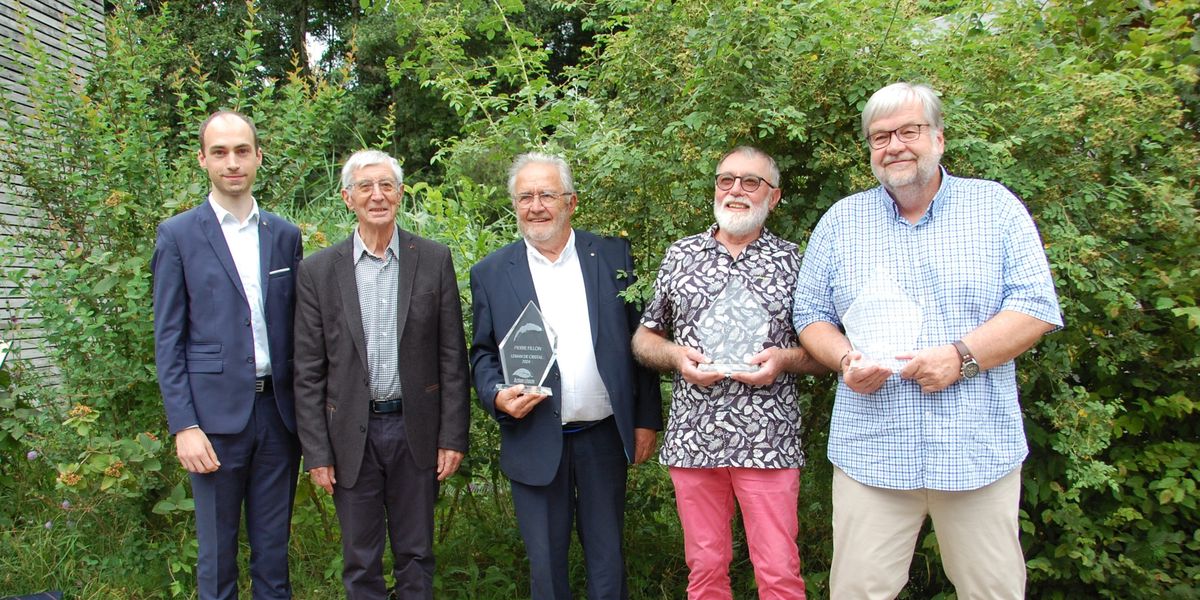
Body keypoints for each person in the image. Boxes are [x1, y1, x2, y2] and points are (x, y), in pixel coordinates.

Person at [792, 82, 1063, 599]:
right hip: (874, 452)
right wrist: (846, 359)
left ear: (938, 138)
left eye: (908, 131)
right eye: (879, 137)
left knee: (994, 592)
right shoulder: (840, 222)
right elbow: (809, 315)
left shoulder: (995, 209)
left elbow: (1036, 307)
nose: (894, 145)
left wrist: (961, 358)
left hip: (975, 451)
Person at [631, 146, 824, 600]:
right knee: (705, 569)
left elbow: (823, 354)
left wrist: (784, 360)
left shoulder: (796, 262)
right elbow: (644, 340)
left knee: (777, 569)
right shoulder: (681, 256)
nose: (736, 190)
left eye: (750, 182)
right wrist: (678, 357)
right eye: (726, 180)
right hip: (695, 437)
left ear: (773, 197)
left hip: (769, 440)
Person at [469, 152, 663, 600]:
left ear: (570, 202)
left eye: (547, 194)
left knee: (608, 563)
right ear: (514, 205)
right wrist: (496, 395)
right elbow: (481, 354)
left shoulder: (614, 255)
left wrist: (646, 418)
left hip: (603, 439)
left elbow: (643, 339)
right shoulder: (492, 273)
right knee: (547, 571)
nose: (536, 206)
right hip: (534, 436)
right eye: (525, 197)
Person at [293, 149, 470, 600]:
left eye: (386, 186)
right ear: (347, 198)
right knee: (360, 559)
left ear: (400, 194)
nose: (377, 196)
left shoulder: (432, 259)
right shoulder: (317, 270)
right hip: (350, 435)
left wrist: (452, 436)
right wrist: (316, 452)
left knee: (416, 554)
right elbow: (309, 369)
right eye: (366, 187)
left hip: (416, 432)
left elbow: (452, 355)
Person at [152, 110, 302, 599]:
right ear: (202, 160)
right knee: (216, 559)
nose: (232, 162)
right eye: (220, 152)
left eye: (242, 151)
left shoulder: (284, 235)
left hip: (278, 417)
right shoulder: (178, 235)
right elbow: (168, 340)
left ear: (258, 157)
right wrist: (184, 425)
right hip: (212, 423)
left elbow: (299, 331)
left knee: (273, 554)